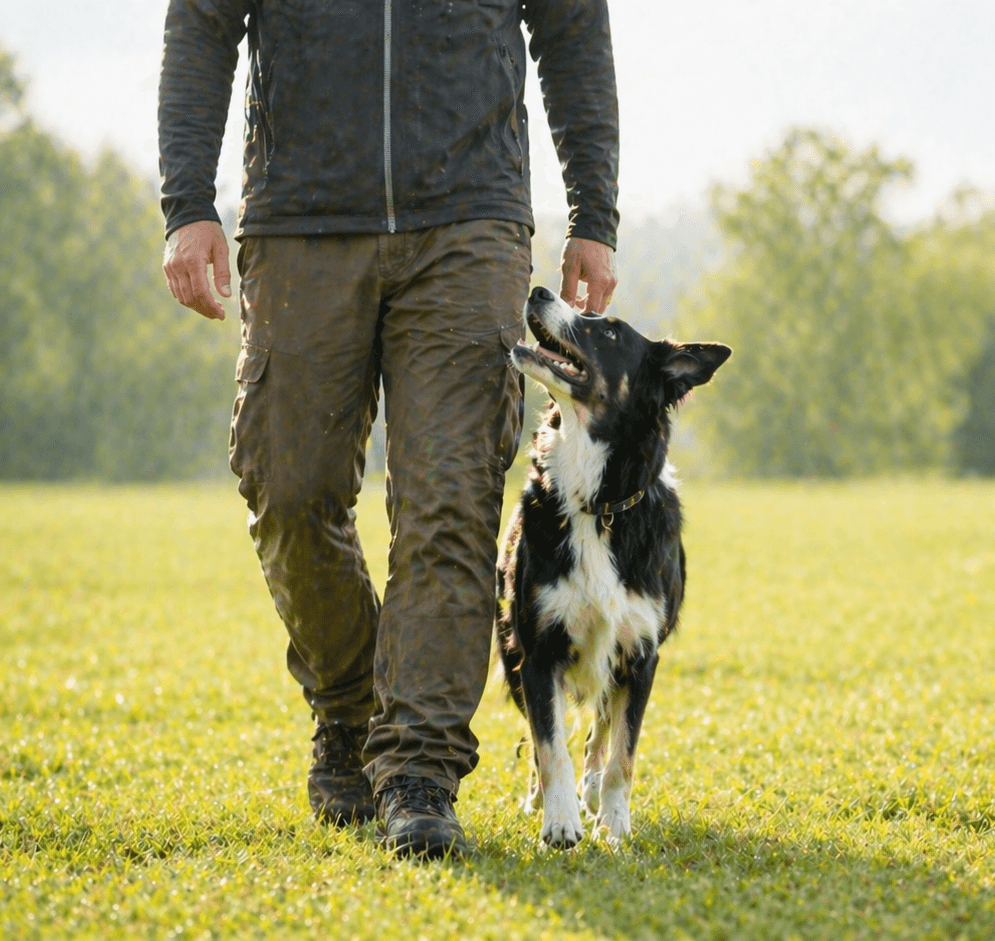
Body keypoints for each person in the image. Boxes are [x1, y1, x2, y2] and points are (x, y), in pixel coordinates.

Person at [157, 0, 619, 860]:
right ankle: (349, 708)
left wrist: (595, 211)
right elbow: (202, 22)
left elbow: (573, 29)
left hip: (470, 221)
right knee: (289, 488)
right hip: (300, 217)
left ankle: (418, 772)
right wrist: (188, 200)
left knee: (450, 504)